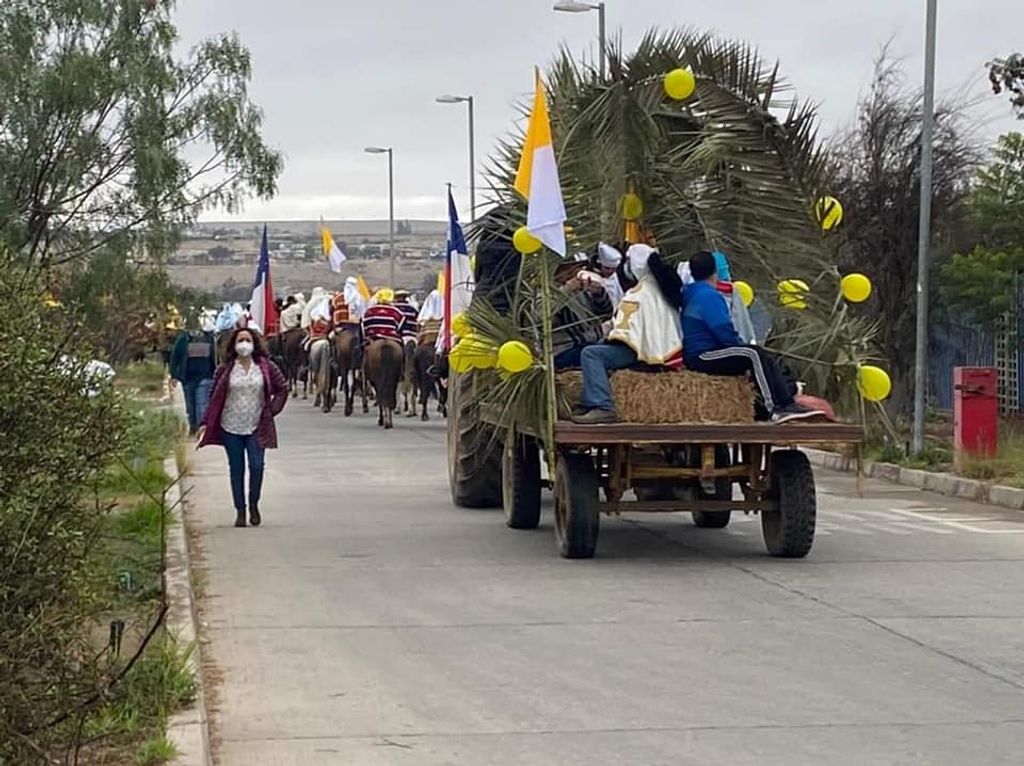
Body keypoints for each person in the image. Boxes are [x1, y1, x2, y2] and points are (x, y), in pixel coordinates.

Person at [681, 251, 822, 423]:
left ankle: (787, 402)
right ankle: (774, 408)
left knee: (758, 353)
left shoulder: (693, 292)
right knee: (752, 354)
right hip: (703, 355)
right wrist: (738, 346)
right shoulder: (708, 295)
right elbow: (723, 330)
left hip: (705, 353)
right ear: (715, 271)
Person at [573, 244, 683, 424]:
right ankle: (588, 401)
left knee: (591, 353)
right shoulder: (659, 289)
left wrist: (608, 339)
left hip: (637, 351)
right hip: (660, 352)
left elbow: (625, 332)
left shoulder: (638, 293)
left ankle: (602, 406)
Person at [198, 328, 288, 527]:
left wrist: (272, 410)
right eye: (240, 340)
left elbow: (282, 388)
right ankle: (240, 509)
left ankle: (254, 503)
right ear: (234, 344)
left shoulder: (266, 366)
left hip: (257, 425)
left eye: (248, 340)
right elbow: (213, 397)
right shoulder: (225, 369)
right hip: (230, 426)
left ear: (255, 343)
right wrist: (205, 422)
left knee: (256, 466)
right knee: (236, 469)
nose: (244, 344)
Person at [552, 261, 615, 370]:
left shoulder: (582, 290)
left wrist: (599, 294)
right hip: (565, 350)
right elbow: (540, 318)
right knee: (601, 354)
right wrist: (566, 290)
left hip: (592, 343)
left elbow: (606, 314)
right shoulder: (547, 292)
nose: (578, 272)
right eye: (572, 269)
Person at [169, 312, 217, 436]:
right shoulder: (183, 339)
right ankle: (193, 426)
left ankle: (201, 430)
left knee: (201, 404)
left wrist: (216, 375)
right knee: (190, 405)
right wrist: (173, 375)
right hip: (188, 378)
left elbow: (215, 358)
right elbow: (175, 357)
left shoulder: (209, 339)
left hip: (205, 377)